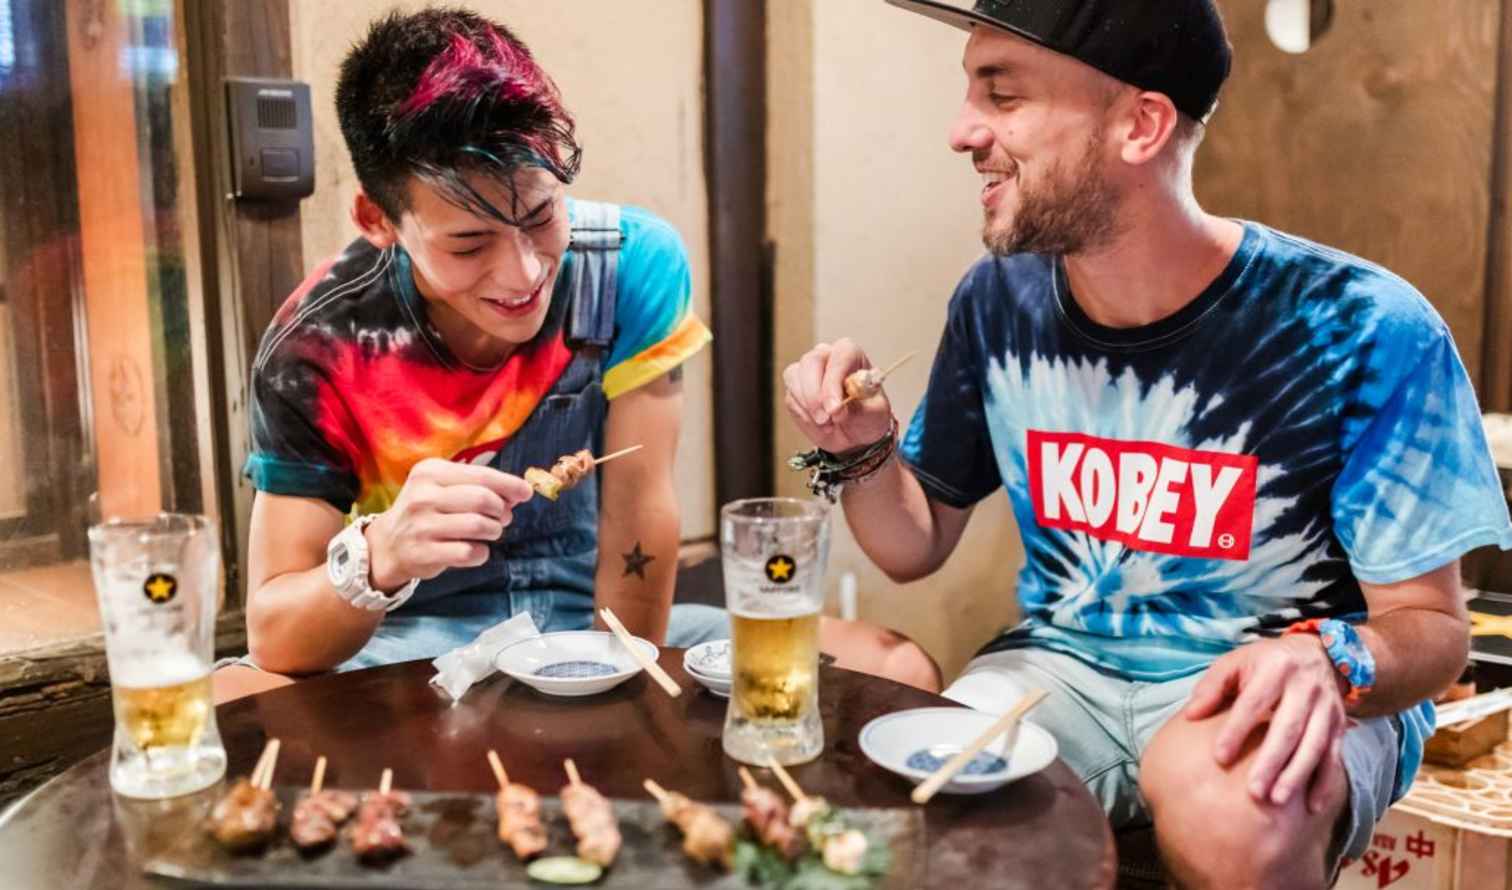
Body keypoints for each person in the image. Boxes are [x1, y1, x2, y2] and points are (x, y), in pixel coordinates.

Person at [782, 1, 1512, 887]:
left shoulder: (1362, 326)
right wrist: (863, 447)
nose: (961, 132)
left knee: (1230, 812)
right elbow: (912, 544)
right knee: (923, 809)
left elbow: (1435, 632)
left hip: (1277, 675)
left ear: (1141, 125)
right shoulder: (997, 301)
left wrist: (1327, 658)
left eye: (1002, 96)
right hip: (1061, 666)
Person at [214, 7, 939, 701]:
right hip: (403, 646)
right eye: (469, 243)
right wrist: (380, 555)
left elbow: (639, 516)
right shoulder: (318, 344)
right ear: (378, 219)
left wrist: (610, 686)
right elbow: (276, 634)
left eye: (540, 216)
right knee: (228, 696)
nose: (524, 273)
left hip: (593, 625)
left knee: (895, 668)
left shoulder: (630, 267)